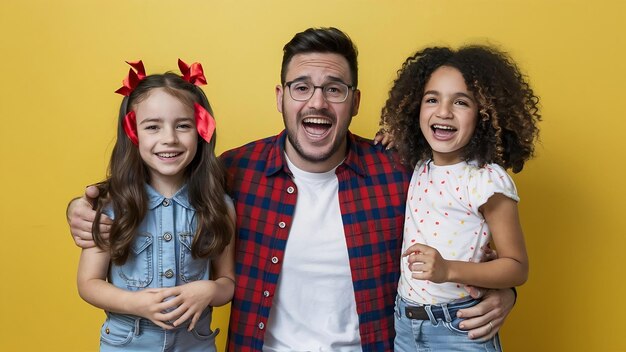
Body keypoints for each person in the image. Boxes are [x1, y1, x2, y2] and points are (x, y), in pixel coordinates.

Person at [68, 28, 517, 352]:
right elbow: (152, 187)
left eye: (333, 89)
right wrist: (83, 205)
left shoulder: (401, 172)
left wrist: (502, 293)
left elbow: (474, 239)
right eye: (301, 88)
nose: (317, 102)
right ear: (280, 97)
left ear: (354, 102)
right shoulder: (232, 173)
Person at [379, 45, 540, 351]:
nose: (443, 112)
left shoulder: (485, 180)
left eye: (461, 102)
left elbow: (517, 267)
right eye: (431, 100)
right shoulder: (416, 164)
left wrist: (448, 270)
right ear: (414, 108)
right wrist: (393, 135)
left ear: (484, 114)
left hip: (459, 328)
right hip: (405, 324)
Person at [76, 59, 236, 352]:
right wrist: (135, 303)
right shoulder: (112, 206)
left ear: (201, 130)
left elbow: (227, 281)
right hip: (126, 343)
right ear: (133, 132)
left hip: (196, 344)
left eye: (183, 125)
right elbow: (88, 283)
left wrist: (211, 290)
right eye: (153, 126)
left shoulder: (218, 205)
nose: (169, 139)